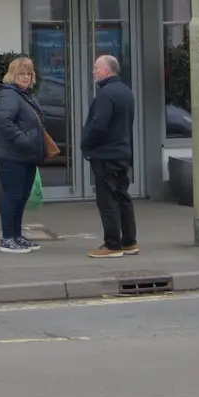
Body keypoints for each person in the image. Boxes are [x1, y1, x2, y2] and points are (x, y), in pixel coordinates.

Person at [80, 55, 137, 258]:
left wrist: (85, 143)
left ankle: (112, 244)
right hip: (123, 153)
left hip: (106, 155)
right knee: (122, 196)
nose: (93, 71)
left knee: (107, 200)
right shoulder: (126, 92)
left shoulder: (106, 94)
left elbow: (99, 125)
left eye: (96, 68)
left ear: (106, 71)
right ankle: (129, 241)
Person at [0, 55, 45, 255]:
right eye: (22, 73)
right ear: (13, 75)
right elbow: (4, 123)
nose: (26, 77)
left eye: (29, 74)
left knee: (21, 197)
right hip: (11, 154)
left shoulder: (25, 95)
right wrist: (26, 141)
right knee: (12, 195)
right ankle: (7, 239)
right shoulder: (9, 95)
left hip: (25, 155)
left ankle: (17, 236)